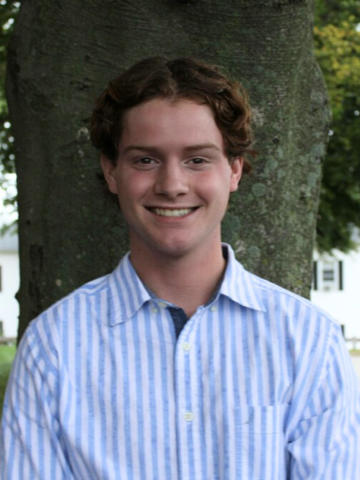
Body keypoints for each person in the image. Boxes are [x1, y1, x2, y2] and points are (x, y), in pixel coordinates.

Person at [1, 57, 359, 480]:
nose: (172, 185)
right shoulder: (53, 347)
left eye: (197, 159)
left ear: (234, 170)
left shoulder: (308, 340)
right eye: (145, 160)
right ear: (111, 171)